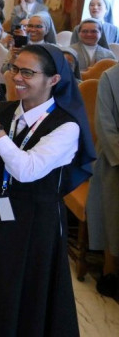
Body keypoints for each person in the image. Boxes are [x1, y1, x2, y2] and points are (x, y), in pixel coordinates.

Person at [0, 44, 95, 336]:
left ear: (53, 80)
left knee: (23, 288)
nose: (17, 78)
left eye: (28, 72)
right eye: (14, 69)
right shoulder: (4, 110)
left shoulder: (67, 126)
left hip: (36, 217)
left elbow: (27, 170)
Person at [87, 60, 119, 298]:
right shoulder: (111, 78)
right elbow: (105, 127)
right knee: (113, 213)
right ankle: (111, 271)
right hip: (113, 158)